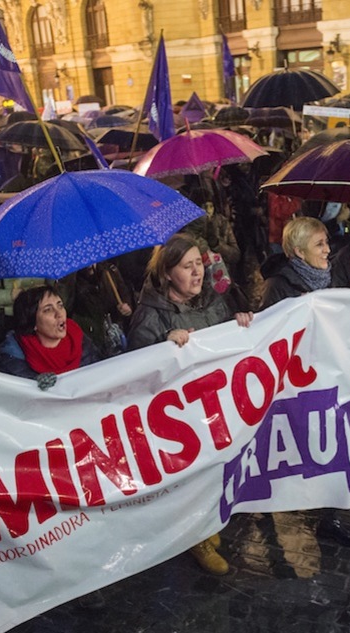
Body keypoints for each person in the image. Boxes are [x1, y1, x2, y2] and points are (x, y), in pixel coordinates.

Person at [126, 234, 252, 575]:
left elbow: (227, 344)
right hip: (178, 420)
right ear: (167, 273)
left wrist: (239, 323)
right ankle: (195, 537)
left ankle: (207, 522)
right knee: (187, 479)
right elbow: (134, 377)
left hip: (213, 408)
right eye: (187, 266)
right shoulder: (149, 318)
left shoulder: (213, 300)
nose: (198, 273)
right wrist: (161, 347)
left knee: (212, 472)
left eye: (200, 264)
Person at [258, 217, 350, 548]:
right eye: (319, 244)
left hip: (330, 376)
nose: (328, 250)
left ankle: (330, 518)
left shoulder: (331, 277)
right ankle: (265, 506)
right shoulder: (279, 286)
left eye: (327, 243)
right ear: (298, 251)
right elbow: (268, 337)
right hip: (297, 385)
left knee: (337, 442)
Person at [0, 284, 101, 381]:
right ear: (32, 322)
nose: (59, 314)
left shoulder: (78, 338)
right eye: (48, 310)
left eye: (60, 305)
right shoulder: (14, 358)